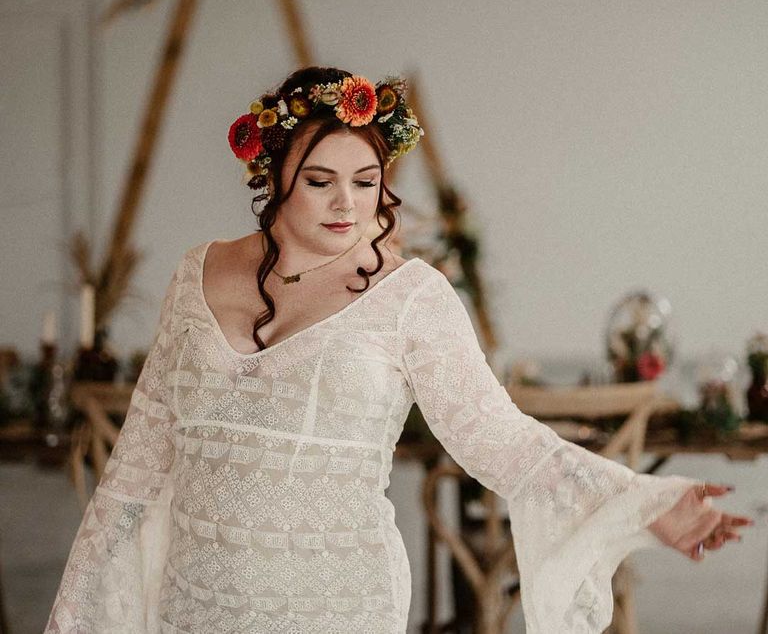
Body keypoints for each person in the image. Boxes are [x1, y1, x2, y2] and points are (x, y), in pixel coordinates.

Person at [45, 66, 752, 633]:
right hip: (195, 603)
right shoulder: (197, 272)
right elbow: (137, 467)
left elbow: (501, 441)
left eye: (365, 182)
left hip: (335, 606)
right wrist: (75, 617)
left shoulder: (413, 296)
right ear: (271, 175)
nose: (346, 205)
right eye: (320, 181)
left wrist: (644, 504)